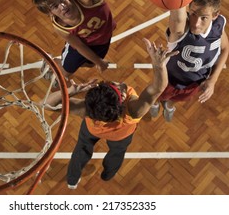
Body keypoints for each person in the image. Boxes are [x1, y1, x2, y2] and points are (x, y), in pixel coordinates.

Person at [41, 38, 178, 189]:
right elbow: (158, 88)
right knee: (117, 154)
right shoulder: (133, 110)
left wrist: (70, 91)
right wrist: (158, 65)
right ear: (123, 99)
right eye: (117, 86)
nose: (117, 83)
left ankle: (72, 179)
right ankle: (108, 174)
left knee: (81, 149)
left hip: (91, 129)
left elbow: (46, 104)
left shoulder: (86, 109)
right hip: (121, 136)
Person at [32, 0, 120, 83]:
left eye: (61, 0)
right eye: (55, 6)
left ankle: (55, 60)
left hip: (101, 40)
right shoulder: (60, 27)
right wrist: (99, 62)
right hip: (80, 47)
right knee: (66, 71)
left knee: (89, 64)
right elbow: (79, 47)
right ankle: (54, 65)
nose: (62, 6)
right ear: (50, 13)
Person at [150, 0, 229, 122]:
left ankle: (169, 105)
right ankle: (155, 103)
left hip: (195, 83)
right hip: (168, 80)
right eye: (193, 14)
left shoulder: (218, 26)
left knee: (177, 99)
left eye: (204, 17)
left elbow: (225, 49)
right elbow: (178, 13)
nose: (196, 23)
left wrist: (213, 80)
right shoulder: (181, 29)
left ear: (215, 15)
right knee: (157, 94)